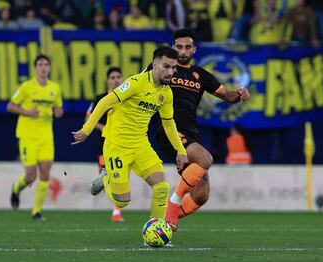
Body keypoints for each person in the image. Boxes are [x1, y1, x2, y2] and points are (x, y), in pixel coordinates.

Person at [72, 46, 188, 222]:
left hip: (141, 145)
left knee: (162, 188)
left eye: (173, 68)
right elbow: (104, 102)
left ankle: (155, 230)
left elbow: (168, 123)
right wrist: (86, 130)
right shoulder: (135, 83)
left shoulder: (166, 93)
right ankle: (105, 180)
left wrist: (181, 150)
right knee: (123, 201)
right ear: (154, 65)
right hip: (117, 144)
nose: (171, 72)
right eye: (166, 66)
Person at [159, 28, 250, 231]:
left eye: (187, 47)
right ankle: (172, 208)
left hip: (191, 134)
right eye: (179, 46)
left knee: (201, 196)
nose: (183, 51)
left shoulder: (201, 75)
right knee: (206, 159)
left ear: (194, 49)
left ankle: (165, 221)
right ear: (173, 47)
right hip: (169, 129)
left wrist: (240, 93)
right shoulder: (163, 69)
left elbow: (228, 95)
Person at [8, 54, 63, 221]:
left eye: (46, 64)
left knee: (45, 172)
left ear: (49, 68)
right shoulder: (26, 87)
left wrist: (58, 112)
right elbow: (10, 106)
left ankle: (36, 212)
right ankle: (16, 189)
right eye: (40, 64)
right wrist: (27, 112)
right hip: (27, 136)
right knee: (31, 176)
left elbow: (58, 108)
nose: (43, 67)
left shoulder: (54, 88)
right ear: (35, 68)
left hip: (46, 136)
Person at [85, 67, 125, 222]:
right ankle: (104, 180)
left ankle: (116, 213)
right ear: (108, 80)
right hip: (104, 144)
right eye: (112, 77)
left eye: (118, 76)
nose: (115, 80)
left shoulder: (126, 97)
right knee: (111, 176)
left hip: (123, 143)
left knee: (122, 176)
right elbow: (88, 118)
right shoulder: (100, 98)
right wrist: (103, 128)